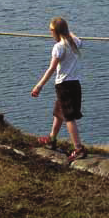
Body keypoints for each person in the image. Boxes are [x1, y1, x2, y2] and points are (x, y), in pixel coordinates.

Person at [31, 17, 87, 163]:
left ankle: (79, 149)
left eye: (51, 30)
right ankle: (52, 139)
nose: (50, 33)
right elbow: (77, 39)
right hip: (75, 84)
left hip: (64, 86)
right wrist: (68, 31)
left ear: (55, 31)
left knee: (68, 117)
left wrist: (39, 86)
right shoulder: (74, 42)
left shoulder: (59, 47)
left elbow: (51, 69)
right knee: (59, 112)